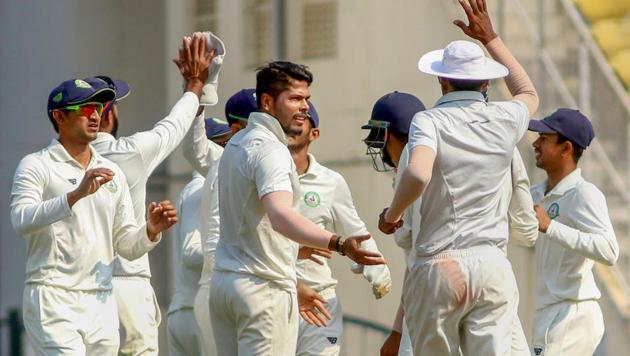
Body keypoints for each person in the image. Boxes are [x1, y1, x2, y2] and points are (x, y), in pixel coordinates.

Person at [378, 0, 539, 354]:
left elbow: (418, 173)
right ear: (485, 80)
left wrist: (391, 215)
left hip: (439, 264)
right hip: (492, 264)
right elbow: (528, 92)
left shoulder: (429, 121)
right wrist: (491, 38)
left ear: (441, 80)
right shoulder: (505, 119)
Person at [208, 61, 386, 355]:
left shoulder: (237, 142)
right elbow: (280, 217)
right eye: (294, 98)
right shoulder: (272, 149)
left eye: (306, 99)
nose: (304, 107)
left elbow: (253, 224)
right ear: (267, 102)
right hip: (263, 290)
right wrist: (338, 243)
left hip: (225, 286)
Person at [10, 79, 177, 355]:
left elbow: (125, 244)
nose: (95, 114)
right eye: (85, 108)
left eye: (98, 107)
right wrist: (74, 195)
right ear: (60, 116)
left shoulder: (111, 171)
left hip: (101, 301)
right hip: (53, 296)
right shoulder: (36, 165)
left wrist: (149, 231)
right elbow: (22, 219)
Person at [85, 33, 213, 355]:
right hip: (127, 285)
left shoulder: (54, 164)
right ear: (110, 114)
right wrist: (194, 84)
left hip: (79, 291)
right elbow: (175, 125)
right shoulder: (129, 153)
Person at [288, 102, 392, 356]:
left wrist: (378, 272)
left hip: (319, 300)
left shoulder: (330, 181)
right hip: (278, 294)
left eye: (302, 120)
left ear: (315, 134)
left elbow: (355, 228)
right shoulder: (261, 175)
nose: (292, 126)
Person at [528, 108, 618, 356]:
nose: (535, 143)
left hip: (573, 313)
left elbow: (609, 251)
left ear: (566, 148)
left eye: (544, 139)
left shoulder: (584, 194)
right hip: (548, 312)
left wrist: (551, 226)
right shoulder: (535, 194)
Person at [167, 118, 231, 356]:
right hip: (195, 309)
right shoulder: (200, 189)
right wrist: (237, 254)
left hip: (189, 309)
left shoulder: (204, 187)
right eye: (226, 143)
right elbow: (190, 252)